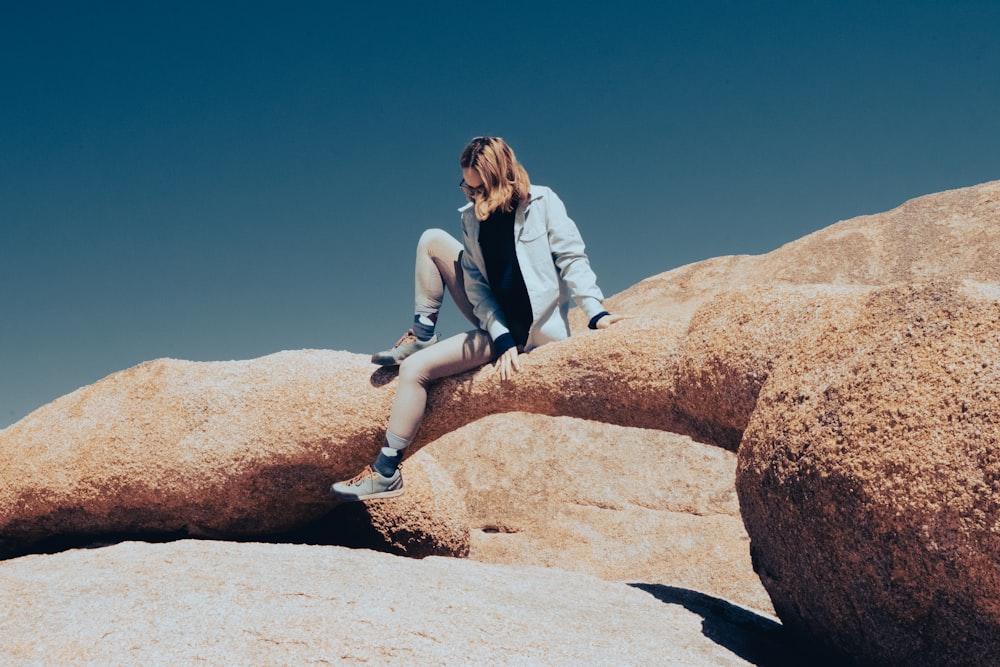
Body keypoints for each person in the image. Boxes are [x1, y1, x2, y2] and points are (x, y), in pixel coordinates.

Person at [331, 136, 623, 501]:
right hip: (495, 326)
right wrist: (499, 337)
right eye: (464, 185)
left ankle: (385, 471)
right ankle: (422, 334)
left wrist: (596, 313)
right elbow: (479, 289)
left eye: (475, 186)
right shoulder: (471, 220)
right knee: (431, 239)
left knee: (413, 371)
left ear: (500, 180)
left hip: (529, 331)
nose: (468, 193)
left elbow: (572, 259)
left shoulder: (544, 202)